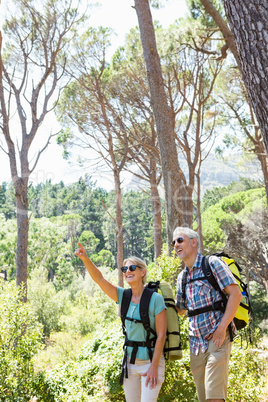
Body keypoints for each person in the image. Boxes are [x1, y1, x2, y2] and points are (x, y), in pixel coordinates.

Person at [75, 243, 167, 402]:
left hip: (152, 363)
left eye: (132, 268)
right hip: (130, 365)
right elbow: (99, 279)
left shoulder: (155, 299)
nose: (127, 272)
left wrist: (154, 367)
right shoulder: (123, 296)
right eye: (124, 270)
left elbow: (161, 336)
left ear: (142, 272)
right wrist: (85, 258)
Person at [173, 227, 242, 402]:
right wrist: (161, 299)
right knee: (204, 398)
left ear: (193, 242)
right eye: (173, 242)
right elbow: (181, 311)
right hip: (195, 343)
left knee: (214, 397)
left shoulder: (212, 264)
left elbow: (236, 294)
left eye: (179, 240)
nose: (175, 245)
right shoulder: (182, 277)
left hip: (218, 337)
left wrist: (221, 328)